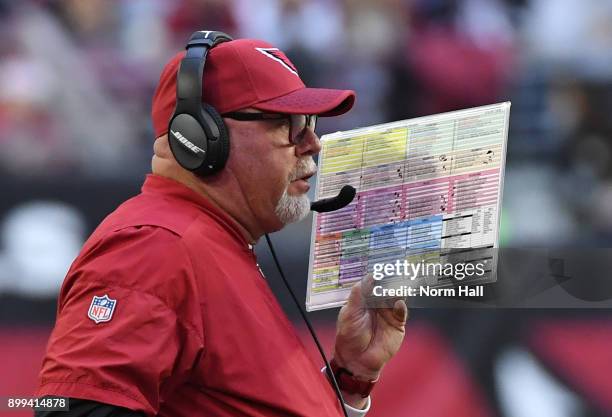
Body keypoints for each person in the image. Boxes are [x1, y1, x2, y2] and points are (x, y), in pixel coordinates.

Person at [35, 32, 408, 417]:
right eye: (290, 124)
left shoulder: (212, 243)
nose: (313, 142)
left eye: (309, 122)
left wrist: (352, 378)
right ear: (202, 135)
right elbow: (72, 411)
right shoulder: (155, 246)